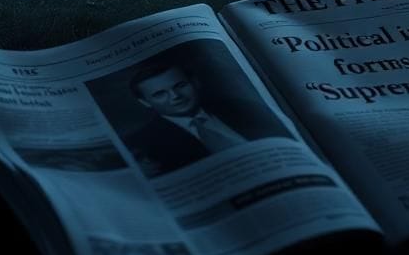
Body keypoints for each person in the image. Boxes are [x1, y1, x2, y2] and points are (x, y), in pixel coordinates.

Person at [123, 61, 292, 177]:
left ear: (195, 82)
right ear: (145, 102)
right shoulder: (141, 145)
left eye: (180, 85)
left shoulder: (242, 107)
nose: (175, 96)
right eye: (160, 94)